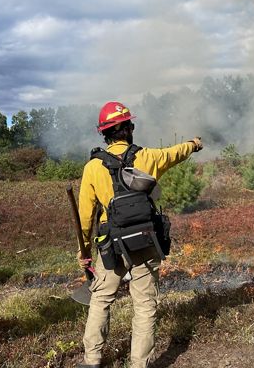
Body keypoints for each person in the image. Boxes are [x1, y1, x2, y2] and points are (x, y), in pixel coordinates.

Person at [77, 101, 203, 368]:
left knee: (100, 299)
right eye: (131, 124)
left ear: (105, 133)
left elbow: (85, 217)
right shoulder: (147, 157)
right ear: (128, 128)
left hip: (110, 244)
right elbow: (175, 153)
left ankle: (92, 360)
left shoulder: (92, 168)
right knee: (144, 306)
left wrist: (84, 252)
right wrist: (193, 144)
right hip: (146, 240)